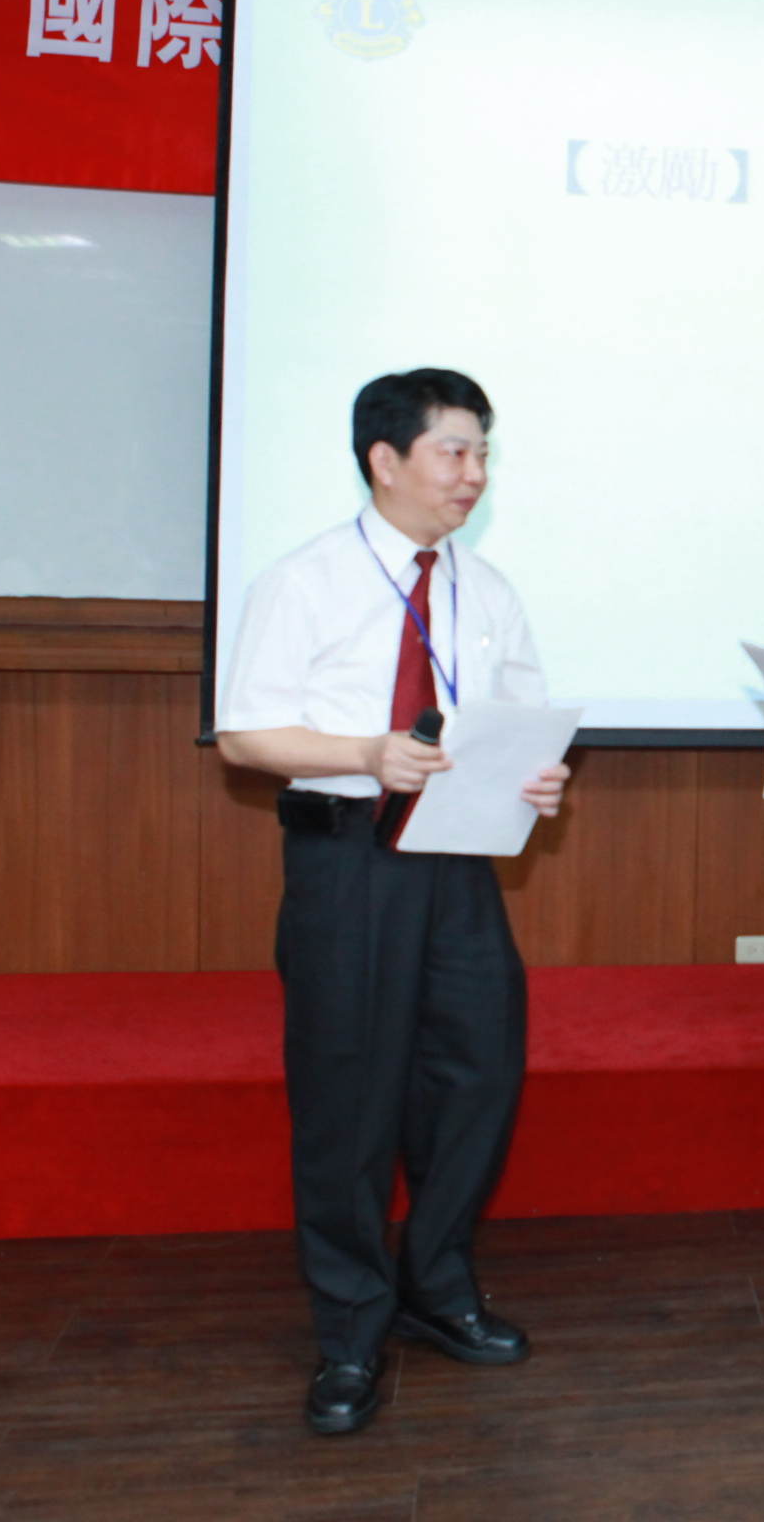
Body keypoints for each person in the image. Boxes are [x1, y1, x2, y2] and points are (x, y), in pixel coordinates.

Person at [216, 367, 572, 1437]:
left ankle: (436, 1282)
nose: (474, 473)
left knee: (476, 1073)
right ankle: (349, 1329)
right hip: (349, 863)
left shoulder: (489, 589)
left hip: (459, 862)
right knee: (349, 1097)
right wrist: (367, 753)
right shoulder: (304, 581)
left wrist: (539, 778)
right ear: (385, 459)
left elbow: (519, 719)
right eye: (454, 450)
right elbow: (246, 735)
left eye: (483, 453)